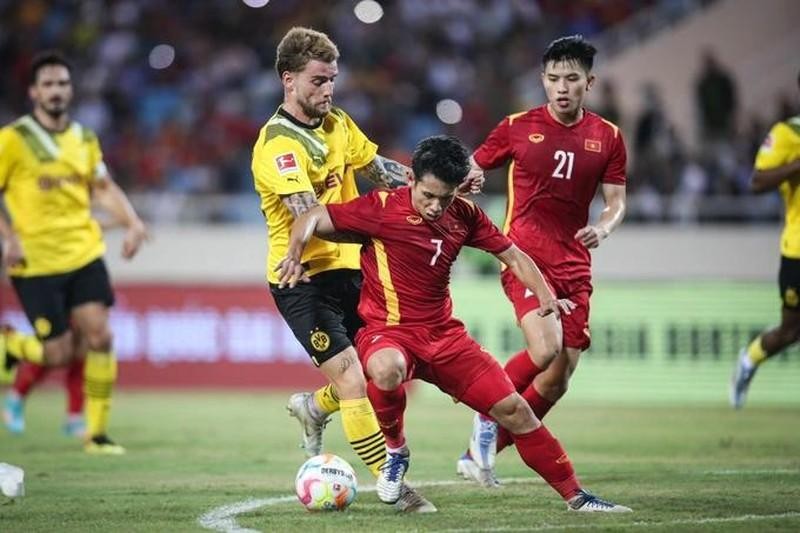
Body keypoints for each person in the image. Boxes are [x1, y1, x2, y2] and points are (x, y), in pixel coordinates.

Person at [278, 135, 631, 513]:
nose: (434, 207)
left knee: (515, 411)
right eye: (427, 195)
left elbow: (513, 255)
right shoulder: (381, 207)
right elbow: (312, 216)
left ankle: (577, 496)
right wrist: (294, 254)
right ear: (410, 179)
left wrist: (545, 296)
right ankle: (396, 452)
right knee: (384, 368)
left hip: (445, 338)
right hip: (389, 333)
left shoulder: (465, 215)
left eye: (444, 198)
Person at [251, 26, 433, 511]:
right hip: (302, 280)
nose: (327, 89)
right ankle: (394, 489)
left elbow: (380, 168)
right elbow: (311, 216)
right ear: (288, 80)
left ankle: (313, 407)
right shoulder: (277, 145)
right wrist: (383, 229)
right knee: (352, 379)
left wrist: (430, 183)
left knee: (380, 373)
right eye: (317, 81)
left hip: (352, 272)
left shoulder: (339, 124)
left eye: (332, 79)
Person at [456, 35, 628, 486]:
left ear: (589, 82)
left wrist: (605, 227)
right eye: (553, 79)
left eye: (572, 78)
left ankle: (480, 450)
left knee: (557, 378)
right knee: (545, 348)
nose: (562, 87)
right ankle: (487, 416)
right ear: (543, 81)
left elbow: (616, 201)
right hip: (525, 257)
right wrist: (469, 179)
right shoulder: (516, 126)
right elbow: (473, 167)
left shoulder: (607, 137)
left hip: (575, 263)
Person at [0, 50, 147, 454]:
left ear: (71, 90)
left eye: (62, 83)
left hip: (83, 253)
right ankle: (11, 346)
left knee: (100, 338)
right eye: (48, 84)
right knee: (59, 352)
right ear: (33, 92)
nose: (56, 91)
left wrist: (132, 222)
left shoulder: (84, 138)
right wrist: (8, 235)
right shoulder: (13, 140)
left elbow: (104, 188)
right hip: (36, 261)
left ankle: (95, 435)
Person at [731, 70, 800, 409]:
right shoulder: (789, 133)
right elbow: (757, 181)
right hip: (797, 250)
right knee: (790, 332)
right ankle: (749, 359)